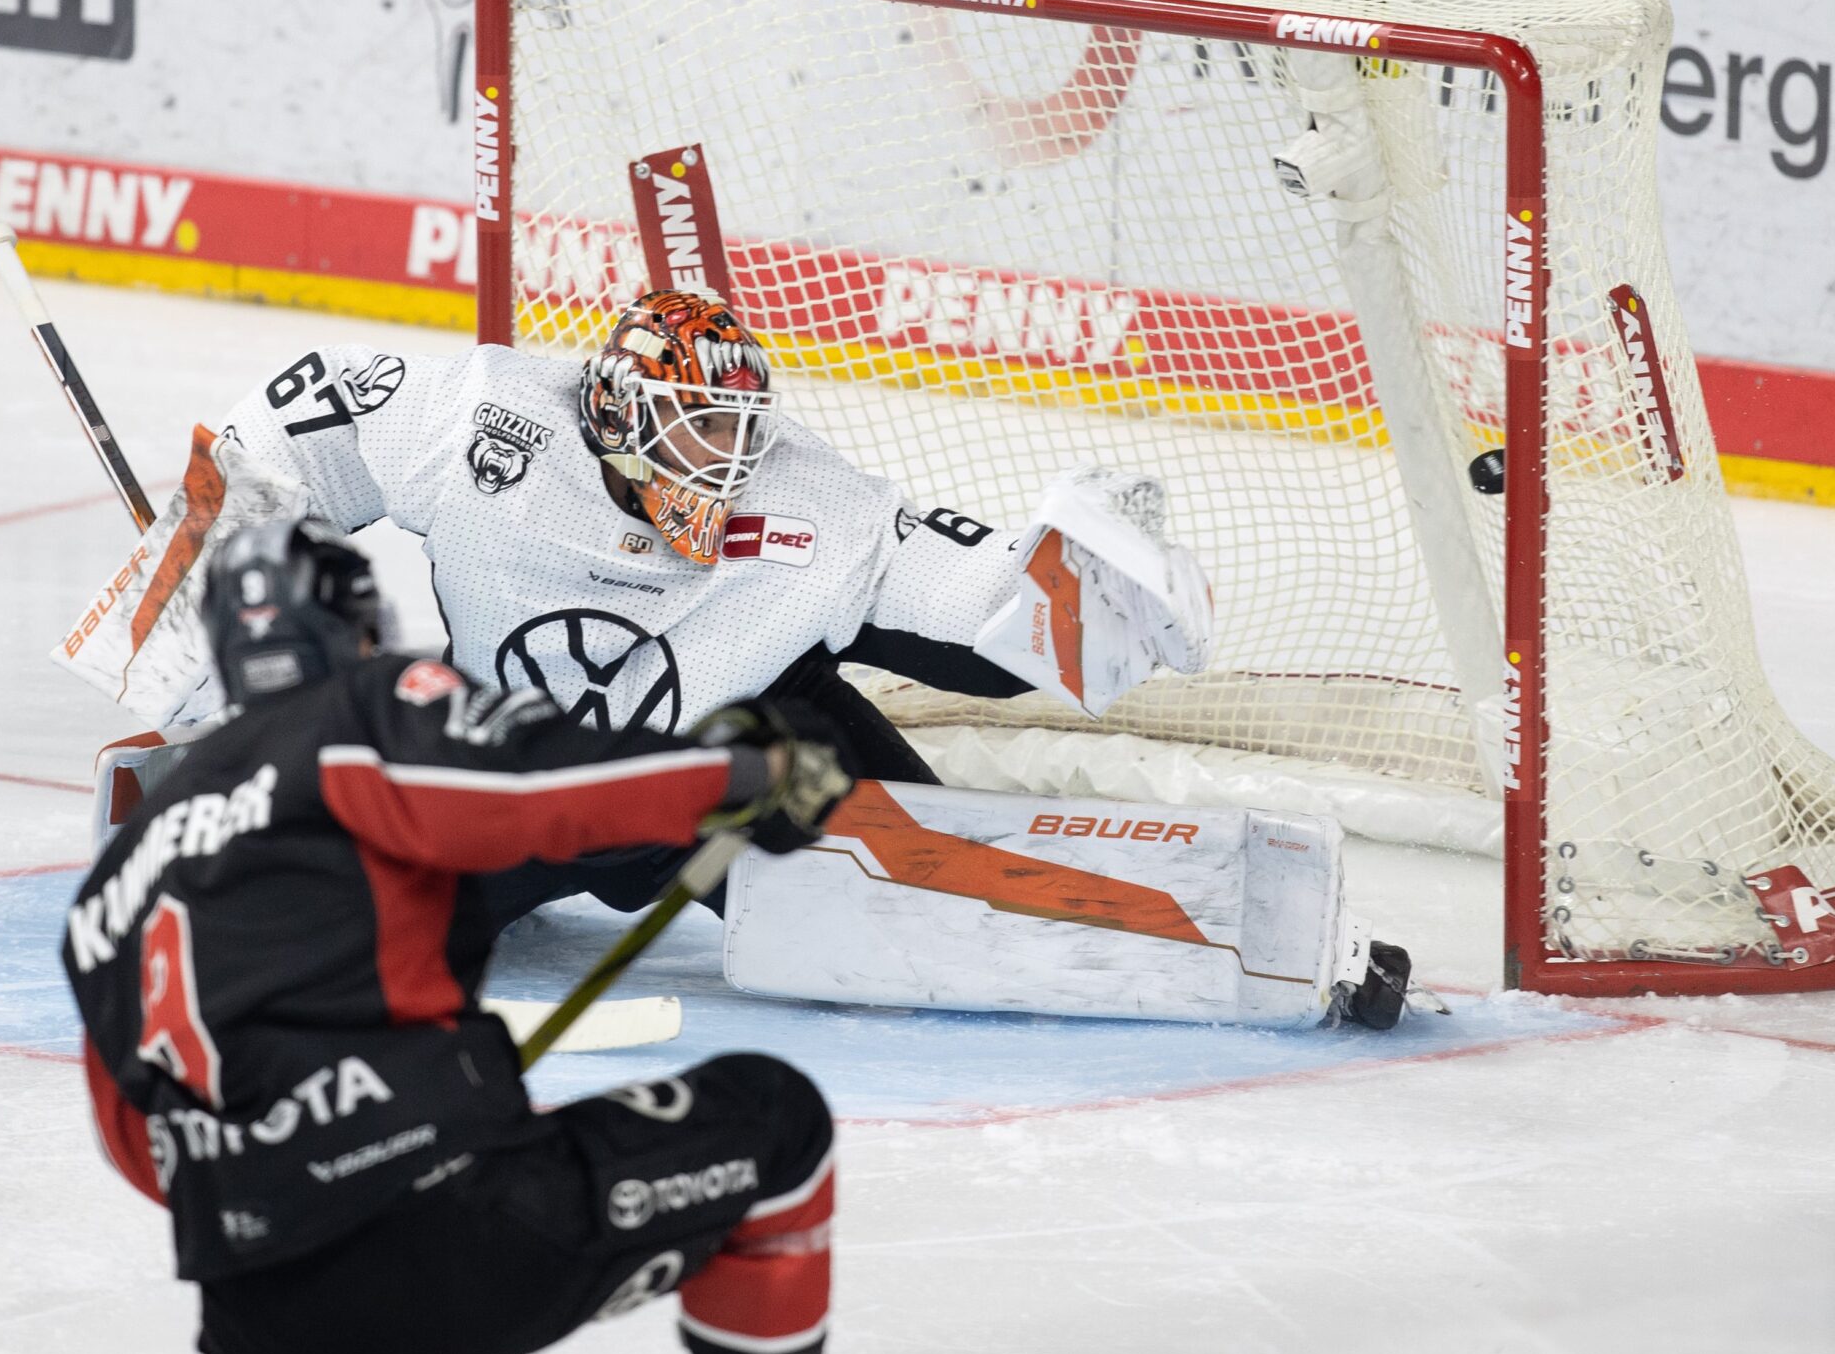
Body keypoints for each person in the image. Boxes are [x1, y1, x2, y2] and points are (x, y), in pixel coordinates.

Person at [65, 517, 856, 1354]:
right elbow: (528, 788)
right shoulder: (361, 708)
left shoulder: (114, 882)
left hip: (263, 1313)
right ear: (352, 627)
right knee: (777, 1125)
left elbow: (135, 1143)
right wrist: (748, 776)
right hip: (455, 1234)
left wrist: (284, 1182)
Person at [67, 288, 1214, 921]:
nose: (725, 463)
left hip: (712, 778)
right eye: (697, 430)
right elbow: (288, 427)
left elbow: (967, 600)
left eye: (740, 434)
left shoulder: (806, 498)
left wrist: (1076, 598)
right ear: (618, 415)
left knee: (903, 898)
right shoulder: (482, 423)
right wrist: (208, 602)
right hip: (515, 779)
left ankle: (1002, 893)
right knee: (348, 920)